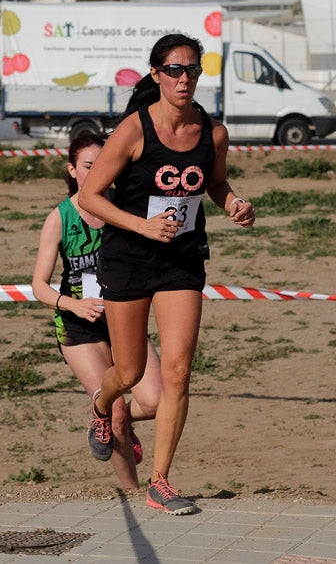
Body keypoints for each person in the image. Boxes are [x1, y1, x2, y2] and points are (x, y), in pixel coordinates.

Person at [78, 33, 256, 515]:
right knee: (131, 372)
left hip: (181, 261)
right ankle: (101, 406)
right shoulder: (134, 130)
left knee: (178, 372)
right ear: (156, 74)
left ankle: (160, 480)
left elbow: (215, 182)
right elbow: (90, 196)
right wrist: (142, 225)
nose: (184, 79)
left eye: (192, 70)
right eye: (175, 70)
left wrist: (234, 203)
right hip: (129, 258)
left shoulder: (213, 133)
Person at [31, 135, 162, 490]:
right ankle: (134, 493)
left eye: (106, 164)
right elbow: (39, 286)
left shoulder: (123, 208)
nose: (99, 171)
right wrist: (74, 304)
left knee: (155, 402)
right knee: (117, 410)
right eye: (89, 166)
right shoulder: (60, 218)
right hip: (79, 325)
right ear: (72, 170)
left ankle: (103, 418)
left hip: (124, 317)